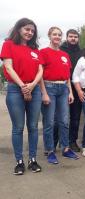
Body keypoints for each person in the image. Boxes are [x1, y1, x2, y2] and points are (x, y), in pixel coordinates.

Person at [0, 18, 43, 174]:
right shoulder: (8, 44)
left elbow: (40, 71)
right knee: (18, 128)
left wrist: (32, 85)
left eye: (32, 31)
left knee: (33, 127)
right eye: (27, 29)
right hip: (15, 89)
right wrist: (23, 86)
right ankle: (19, 161)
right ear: (19, 29)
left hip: (35, 89)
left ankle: (33, 159)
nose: (29, 33)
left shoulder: (35, 50)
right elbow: (8, 68)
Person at [40, 27, 79, 164]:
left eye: (59, 35)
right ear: (49, 36)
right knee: (49, 121)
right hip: (49, 87)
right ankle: (50, 150)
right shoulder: (43, 52)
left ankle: (66, 148)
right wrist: (44, 93)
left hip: (63, 88)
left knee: (64, 120)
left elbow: (68, 76)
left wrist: (70, 92)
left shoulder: (65, 55)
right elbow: (40, 75)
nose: (57, 36)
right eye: (54, 34)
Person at [53, 29, 82, 152]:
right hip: (62, 87)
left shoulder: (82, 52)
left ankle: (72, 141)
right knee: (58, 118)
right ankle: (55, 142)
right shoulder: (61, 50)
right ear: (67, 37)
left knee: (75, 117)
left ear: (78, 38)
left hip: (77, 88)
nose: (73, 39)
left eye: (75, 37)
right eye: (71, 36)